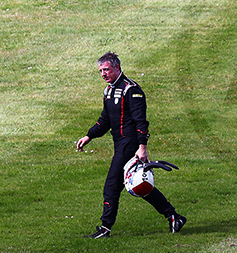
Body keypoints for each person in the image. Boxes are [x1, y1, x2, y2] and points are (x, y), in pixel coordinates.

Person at [77, 52, 186, 238]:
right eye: (101, 71)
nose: (103, 74)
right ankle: (173, 216)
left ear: (117, 68)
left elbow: (141, 122)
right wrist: (89, 136)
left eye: (106, 70)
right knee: (138, 185)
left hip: (130, 145)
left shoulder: (131, 90)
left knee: (112, 186)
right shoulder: (109, 90)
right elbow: (105, 120)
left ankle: (105, 229)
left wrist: (142, 147)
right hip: (120, 144)